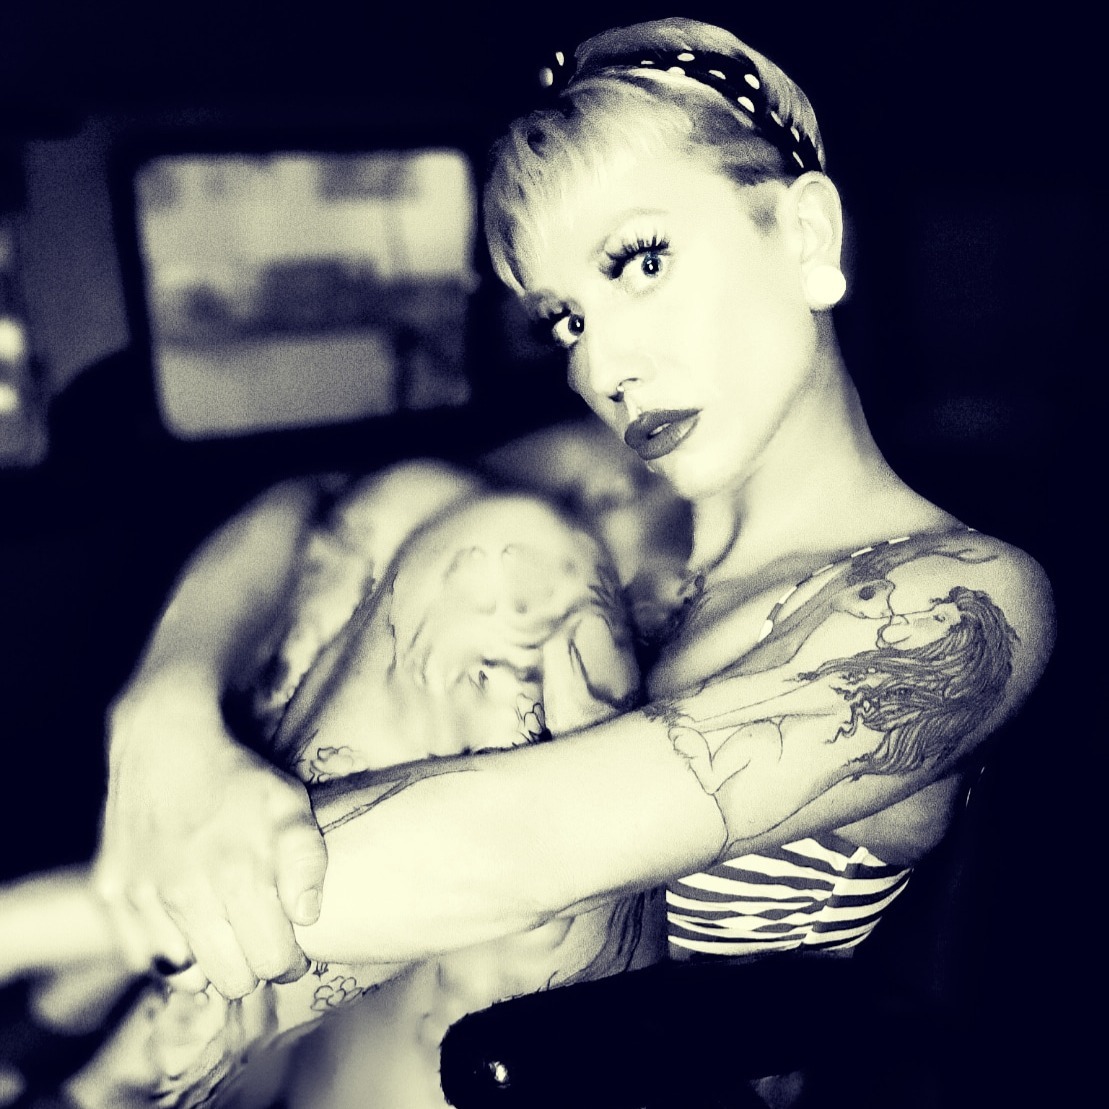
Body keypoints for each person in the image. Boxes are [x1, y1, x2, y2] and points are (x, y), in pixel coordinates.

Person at [82, 13, 1052, 1105]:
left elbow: (517, 846)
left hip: (610, 1075)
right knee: (421, 505)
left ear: (805, 236)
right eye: (566, 319)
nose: (602, 366)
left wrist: (51, 924)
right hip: (358, 1015)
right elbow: (303, 510)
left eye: (641, 262)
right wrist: (165, 712)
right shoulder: (607, 487)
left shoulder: (961, 594)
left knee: (501, 551)